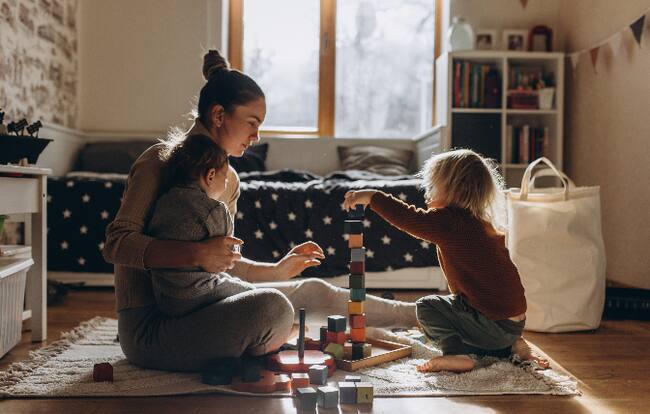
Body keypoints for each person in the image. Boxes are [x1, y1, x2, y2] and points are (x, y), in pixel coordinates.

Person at [103, 49, 417, 372]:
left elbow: (223, 265)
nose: (256, 137)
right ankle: (263, 342)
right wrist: (195, 254)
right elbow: (117, 244)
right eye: (252, 123)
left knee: (311, 290)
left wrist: (277, 270)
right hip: (151, 329)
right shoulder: (158, 161)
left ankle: (418, 315)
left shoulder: (230, 181)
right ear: (219, 115)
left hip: (206, 304)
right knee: (272, 309)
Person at [343, 149, 548, 373]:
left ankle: (456, 354)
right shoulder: (480, 222)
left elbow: (408, 218)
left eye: (432, 187)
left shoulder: (450, 221)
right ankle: (508, 347)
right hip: (513, 323)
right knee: (456, 308)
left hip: (493, 323)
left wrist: (373, 197)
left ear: (454, 190)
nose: (427, 194)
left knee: (428, 307)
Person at [147, 134, 255, 317]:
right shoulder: (214, 209)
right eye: (226, 180)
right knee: (254, 294)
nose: (226, 185)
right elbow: (229, 254)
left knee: (227, 281)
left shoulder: (162, 201)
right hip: (199, 292)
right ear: (210, 175)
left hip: (165, 297)